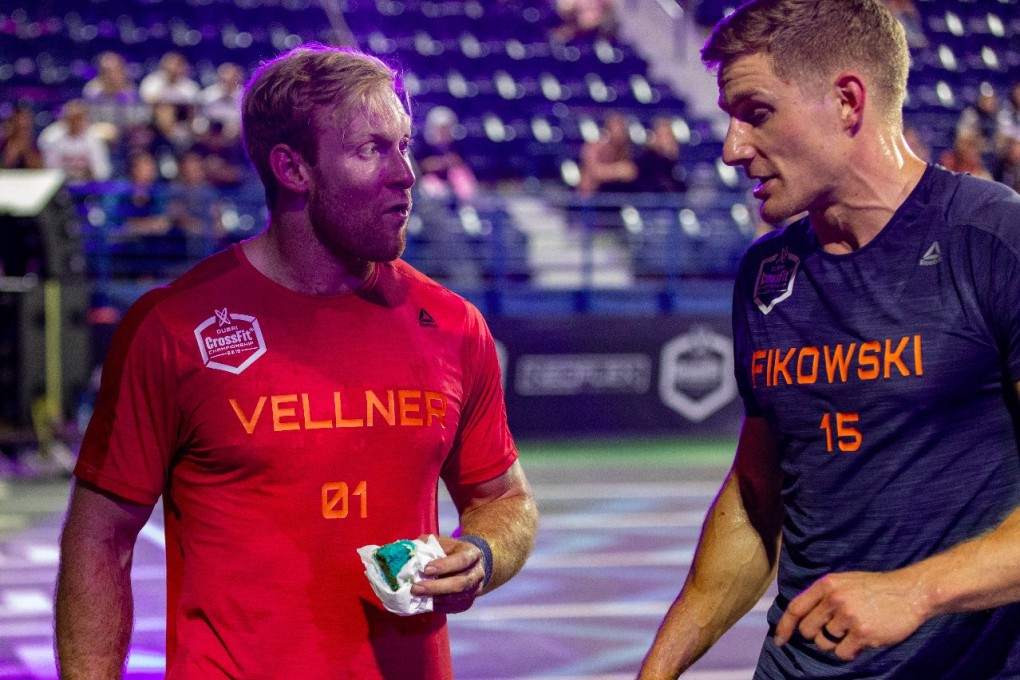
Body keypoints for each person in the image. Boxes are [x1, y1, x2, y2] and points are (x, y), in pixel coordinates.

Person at [54, 42, 538, 679]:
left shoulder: (452, 325)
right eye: (372, 149)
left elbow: (506, 500)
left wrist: (481, 552)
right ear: (293, 168)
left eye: (404, 145)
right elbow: (100, 540)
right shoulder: (172, 328)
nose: (406, 174)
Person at [638, 1, 1020, 678]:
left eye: (756, 112)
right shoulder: (767, 274)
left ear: (847, 101)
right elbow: (758, 497)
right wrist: (658, 668)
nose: (731, 148)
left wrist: (917, 590)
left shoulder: (994, 241)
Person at [38, 99, 112, 182]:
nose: (76, 123)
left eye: (79, 119)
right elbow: (49, 169)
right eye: (72, 119)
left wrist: (85, 173)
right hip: (60, 186)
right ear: (64, 119)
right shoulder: (50, 137)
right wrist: (71, 174)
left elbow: (102, 171)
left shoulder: (95, 137)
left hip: (89, 186)